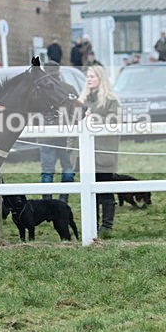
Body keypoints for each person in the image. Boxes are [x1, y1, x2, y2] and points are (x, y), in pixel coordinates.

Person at [75, 65, 121, 237]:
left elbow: (116, 121)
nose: (89, 79)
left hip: (104, 152)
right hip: (85, 154)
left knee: (105, 190)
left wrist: (97, 118)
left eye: (92, 76)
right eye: (87, 76)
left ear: (100, 78)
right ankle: (91, 224)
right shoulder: (81, 100)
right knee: (88, 191)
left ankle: (107, 226)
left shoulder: (111, 100)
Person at [38, 61, 76, 202]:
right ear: (59, 72)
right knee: (67, 168)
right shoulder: (69, 89)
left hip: (46, 136)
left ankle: (47, 201)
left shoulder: (39, 91)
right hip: (66, 135)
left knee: (47, 171)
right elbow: (76, 112)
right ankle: (63, 200)